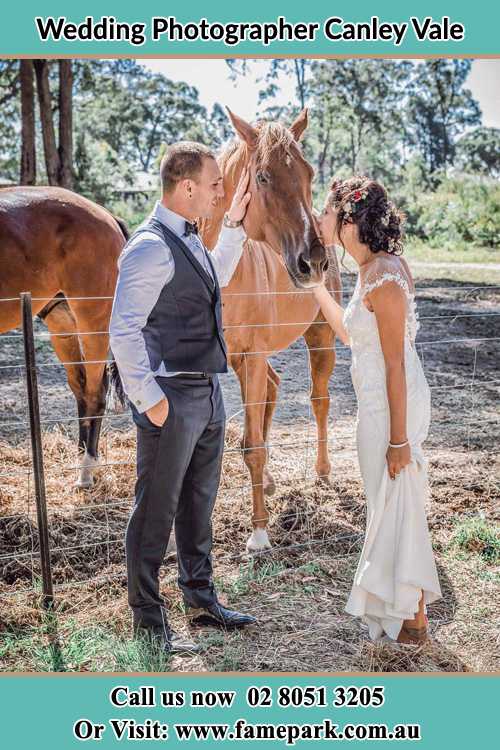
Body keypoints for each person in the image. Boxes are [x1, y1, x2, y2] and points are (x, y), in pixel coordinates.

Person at [109, 141, 256, 655]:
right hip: (170, 396)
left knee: (199, 503)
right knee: (155, 511)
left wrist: (234, 225)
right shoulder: (149, 246)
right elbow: (123, 330)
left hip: (207, 391)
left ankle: (200, 597)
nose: (220, 193)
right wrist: (151, 400)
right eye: (215, 185)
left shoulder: (190, 238)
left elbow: (213, 275)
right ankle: (148, 621)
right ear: (187, 186)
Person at [313, 176, 442, 644]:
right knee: (389, 504)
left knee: (396, 502)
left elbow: (395, 364)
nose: (318, 220)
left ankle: (413, 621)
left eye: (325, 212)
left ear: (348, 220)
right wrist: (315, 289)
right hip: (377, 405)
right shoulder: (370, 268)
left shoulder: (386, 276)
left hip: (393, 408)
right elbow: (352, 336)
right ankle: (405, 614)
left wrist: (399, 440)